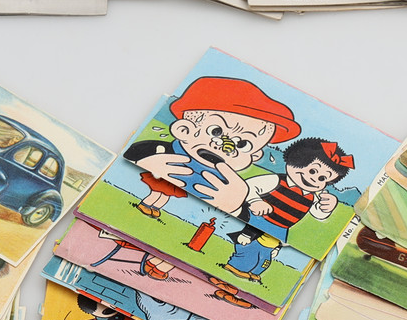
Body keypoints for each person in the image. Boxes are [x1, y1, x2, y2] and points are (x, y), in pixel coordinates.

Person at [124, 75, 300, 219]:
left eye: (243, 144)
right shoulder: (157, 151)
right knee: (158, 193)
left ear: (254, 156)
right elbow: (130, 154)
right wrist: (144, 162)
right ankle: (147, 205)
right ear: (183, 130)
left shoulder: (231, 185)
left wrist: (235, 205)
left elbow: (246, 219)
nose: (224, 146)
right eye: (216, 131)